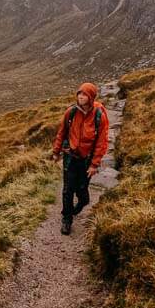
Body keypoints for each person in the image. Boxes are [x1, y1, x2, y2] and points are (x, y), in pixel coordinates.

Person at [51, 82, 110, 235]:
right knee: (67, 190)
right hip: (70, 157)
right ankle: (67, 218)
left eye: (85, 95)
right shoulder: (70, 112)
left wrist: (94, 164)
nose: (81, 97)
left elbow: (102, 142)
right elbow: (62, 132)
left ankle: (82, 202)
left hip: (86, 160)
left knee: (82, 190)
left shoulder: (99, 116)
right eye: (79, 94)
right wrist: (56, 151)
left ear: (91, 97)